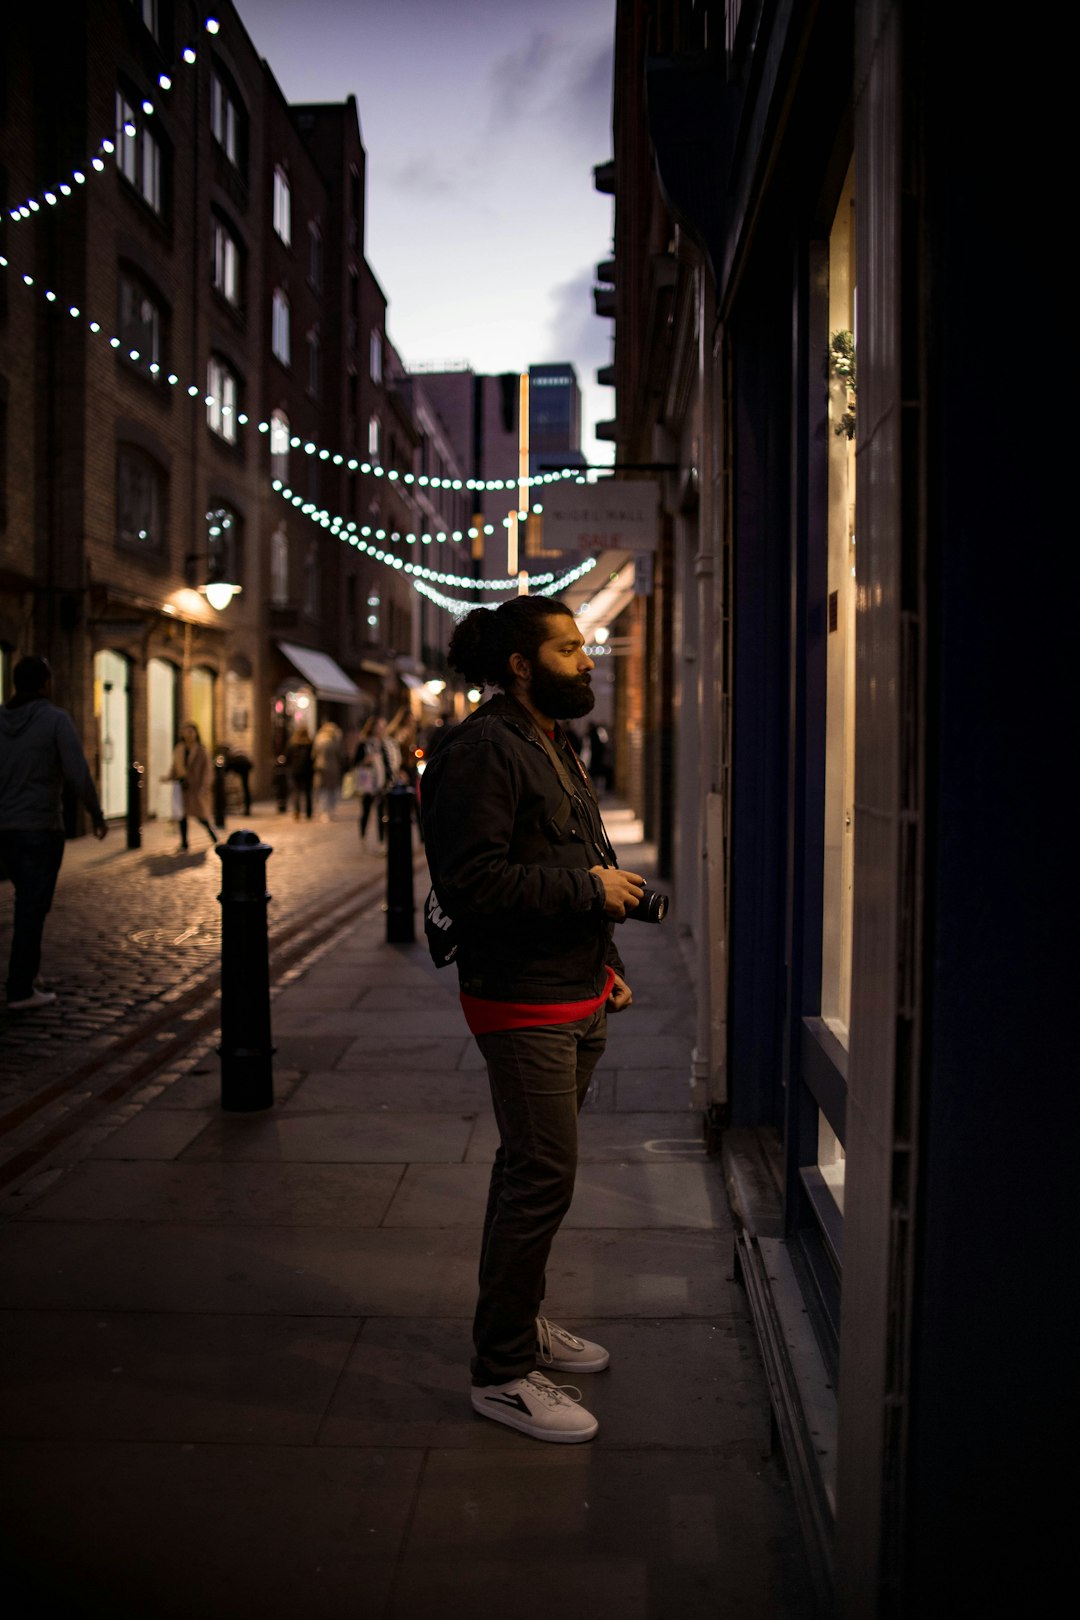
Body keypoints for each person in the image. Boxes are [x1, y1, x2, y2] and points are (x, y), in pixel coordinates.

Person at [421, 596, 646, 1444]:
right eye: (569, 648)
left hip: (573, 988)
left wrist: (608, 962)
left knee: (528, 1172)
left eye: (584, 647)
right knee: (542, 1176)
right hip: (521, 1000)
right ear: (521, 664)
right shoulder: (479, 750)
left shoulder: (548, 740)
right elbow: (471, 885)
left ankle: (521, 1322)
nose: (588, 660)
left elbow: (579, 852)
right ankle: (502, 1371)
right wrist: (588, 892)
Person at [0, 655, 108, 1010]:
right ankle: (20, 988)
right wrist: (95, 812)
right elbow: (77, 773)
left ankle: (26, 975)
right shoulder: (55, 720)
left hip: (4, 829)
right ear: (45, 684)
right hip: (40, 829)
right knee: (31, 908)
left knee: (27, 906)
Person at [162, 722, 220, 852]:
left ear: (196, 733)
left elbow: (208, 770)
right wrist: (169, 777)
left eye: (191, 731)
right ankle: (184, 843)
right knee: (182, 815)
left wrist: (205, 786)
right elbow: (175, 766)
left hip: (196, 787)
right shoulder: (179, 749)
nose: (188, 734)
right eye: (185, 731)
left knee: (201, 815)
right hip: (182, 787)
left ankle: (214, 836)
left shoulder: (201, 750)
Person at [352, 715, 400, 845]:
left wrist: (393, 777)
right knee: (366, 810)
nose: (381, 729)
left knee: (382, 813)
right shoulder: (364, 743)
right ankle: (363, 837)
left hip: (383, 781)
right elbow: (355, 762)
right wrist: (366, 760)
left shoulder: (386, 744)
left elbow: (389, 763)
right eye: (379, 726)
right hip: (368, 782)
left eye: (383, 726)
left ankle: (381, 841)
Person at [311, 719, 343, 821]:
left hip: (320, 768)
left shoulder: (318, 739)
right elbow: (340, 755)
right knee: (332, 790)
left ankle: (323, 811)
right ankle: (330, 811)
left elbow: (313, 754)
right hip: (333, 768)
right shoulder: (335, 740)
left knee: (322, 790)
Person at [285, 723, 314, 820]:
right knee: (308, 792)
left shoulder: (292, 743)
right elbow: (313, 758)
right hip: (307, 771)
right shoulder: (310, 744)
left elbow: (287, 757)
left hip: (295, 770)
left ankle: (297, 812)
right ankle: (309, 812)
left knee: (296, 791)